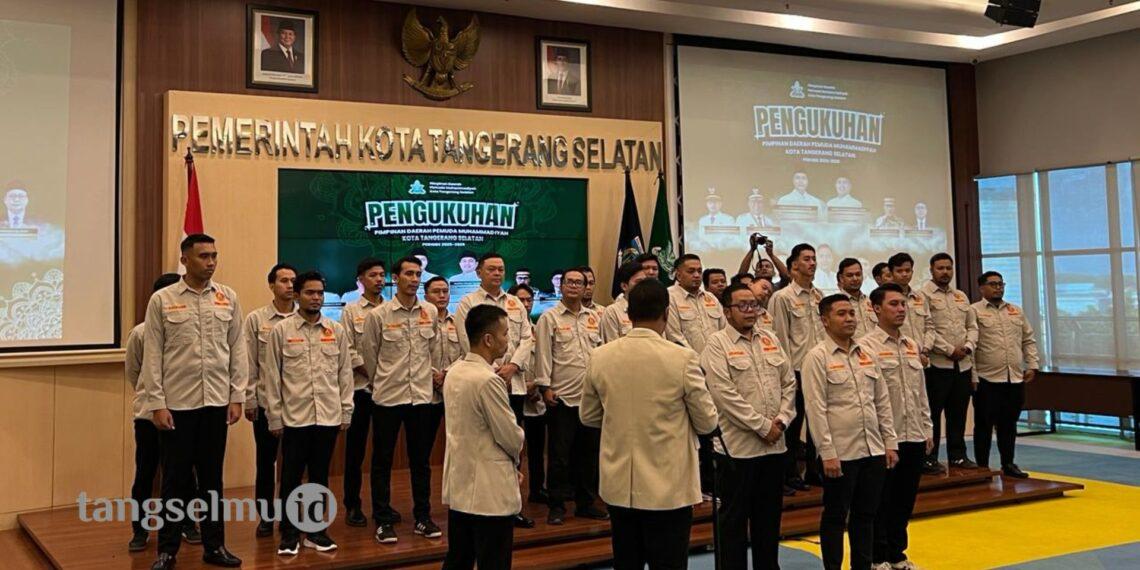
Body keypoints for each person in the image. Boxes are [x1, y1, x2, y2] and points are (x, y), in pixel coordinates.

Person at [581, 279, 719, 570]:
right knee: (668, 562)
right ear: (666, 313)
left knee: (626, 561)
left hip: (620, 482)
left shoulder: (600, 356)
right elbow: (707, 422)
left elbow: (589, 416)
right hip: (669, 487)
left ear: (628, 314)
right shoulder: (682, 358)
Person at [141, 233, 246, 569]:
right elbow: (152, 355)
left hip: (216, 403)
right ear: (185, 259)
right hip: (177, 406)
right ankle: (167, 551)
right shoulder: (162, 299)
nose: (211, 262)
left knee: (212, 478)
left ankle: (215, 547)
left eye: (214, 255)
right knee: (174, 478)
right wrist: (157, 403)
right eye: (203, 256)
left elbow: (237, 350)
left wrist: (236, 396)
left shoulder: (227, 297)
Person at [701, 283, 796, 570]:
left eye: (753, 304)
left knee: (769, 520)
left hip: (774, 446)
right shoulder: (716, 344)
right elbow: (723, 394)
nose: (750, 311)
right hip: (737, 450)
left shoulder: (770, 339)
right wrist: (761, 426)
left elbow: (789, 383)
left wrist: (781, 420)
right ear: (727, 311)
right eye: (742, 305)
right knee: (733, 521)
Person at [802, 294, 898, 570]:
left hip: (873, 449)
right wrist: (827, 453)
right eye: (841, 314)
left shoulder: (867, 354)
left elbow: (881, 401)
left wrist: (890, 443)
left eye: (852, 314)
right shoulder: (816, 357)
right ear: (824, 320)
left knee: (866, 516)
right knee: (835, 516)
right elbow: (815, 409)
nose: (849, 319)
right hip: (841, 453)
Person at [265, 271, 353, 556]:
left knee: (319, 477)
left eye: (319, 293)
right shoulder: (282, 331)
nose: (315, 298)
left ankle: (316, 531)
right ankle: (289, 533)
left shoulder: (335, 330)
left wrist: (345, 412)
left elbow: (344, 376)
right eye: (309, 293)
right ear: (297, 295)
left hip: (327, 417)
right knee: (290, 478)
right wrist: (275, 417)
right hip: (294, 418)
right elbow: (272, 377)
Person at [361, 256, 442, 544]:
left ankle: (423, 518)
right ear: (396, 278)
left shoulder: (430, 311)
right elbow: (370, 357)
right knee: (382, 461)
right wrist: (383, 380)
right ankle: (383, 520)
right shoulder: (379, 315)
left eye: (418, 274)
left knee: (421, 462)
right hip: (388, 398)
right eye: (408, 273)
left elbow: (433, 352)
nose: (414, 279)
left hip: (421, 397)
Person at [440, 305, 526, 570]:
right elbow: (510, 435)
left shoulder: (454, 371)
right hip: (489, 489)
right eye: (505, 334)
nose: (507, 340)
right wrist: (516, 462)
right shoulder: (487, 380)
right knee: (494, 560)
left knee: (460, 557)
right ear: (488, 339)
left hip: (461, 481)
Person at [861, 284, 933, 570]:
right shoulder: (866, 346)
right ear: (876, 309)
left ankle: (897, 553)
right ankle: (877, 556)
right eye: (894, 304)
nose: (901, 309)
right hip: (884, 437)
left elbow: (920, 391)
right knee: (881, 499)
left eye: (903, 304)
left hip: (913, 431)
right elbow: (869, 396)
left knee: (904, 499)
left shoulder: (911, 345)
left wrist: (927, 428)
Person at [126, 273, 196, 552]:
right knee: (146, 472)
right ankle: (139, 530)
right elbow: (134, 371)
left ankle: (187, 524)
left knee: (183, 473)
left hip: (183, 411)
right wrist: (155, 400)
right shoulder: (141, 332)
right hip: (148, 415)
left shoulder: (191, 329)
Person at [534, 267, 607, 525]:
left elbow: (604, 353)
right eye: (571, 282)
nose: (576, 286)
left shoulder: (597, 317)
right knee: (559, 457)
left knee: (589, 455)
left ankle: (586, 503)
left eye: (581, 282)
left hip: (592, 398)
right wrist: (545, 387)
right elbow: (543, 354)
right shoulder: (549, 318)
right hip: (562, 397)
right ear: (562, 286)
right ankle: (556, 506)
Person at [242, 263, 297, 537]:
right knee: (266, 463)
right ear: (271, 285)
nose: (289, 285)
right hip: (266, 403)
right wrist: (249, 399)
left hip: (300, 406)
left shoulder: (306, 318)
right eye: (283, 280)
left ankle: (292, 515)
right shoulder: (256, 319)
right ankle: (266, 517)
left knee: (295, 464)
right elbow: (249, 362)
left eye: (292, 281)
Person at [454, 253, 535, 427]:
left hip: (514, 383)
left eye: (501, 269)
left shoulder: (515, 302)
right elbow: (465, 340)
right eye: (491, 269)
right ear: (478, 273)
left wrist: (512, 366)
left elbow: (527, 338)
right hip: (481, 382)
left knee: (513, 438)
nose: (497, 273)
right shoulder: (468, 303)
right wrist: (493, 371)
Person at [971, 271, 1039, 479]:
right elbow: (971, 345)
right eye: (993, 284)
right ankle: (982, 466)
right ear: (982, 288)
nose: (998, 288)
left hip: (1014, 378)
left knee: (1009, 424)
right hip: (987, 378)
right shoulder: (973, 311)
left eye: (1001, 284)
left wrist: (1032, 364)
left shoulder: (1015, 311)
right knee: (983, 425)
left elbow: (1028, 339)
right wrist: (972, 376)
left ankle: (1008, 463)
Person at [769, 243, 825, 491]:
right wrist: (787, 373)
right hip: (797, 369)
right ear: (793, 265)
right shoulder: (782, 297)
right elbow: (780, 338)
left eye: (814, 259)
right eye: (806, 259)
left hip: (820, 368)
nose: (812, 263)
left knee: (818, 422)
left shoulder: (819, 296)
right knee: (793, 424)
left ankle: (815, 470)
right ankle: (789, 473)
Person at [922, 253, 979, 473]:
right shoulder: (923, 295)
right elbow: (927, 328)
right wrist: (948, 349)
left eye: (948, 268)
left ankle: (958, 456)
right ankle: (929, 457)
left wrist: (968, 347)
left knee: (958, 413)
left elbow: (972, 327)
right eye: (940, 268)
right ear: (931, 270)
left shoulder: (961, 296)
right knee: (933, 415)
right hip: (938, 365)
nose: (945, 272)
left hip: (962, 365)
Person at [340, 258, 386, 527]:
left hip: (388, 391)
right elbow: (348, 348)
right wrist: (371, 371)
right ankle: (352, 504)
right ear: (361, 279)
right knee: (355, 452)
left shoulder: (392, 308)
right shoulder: (351, 310)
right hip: (361, 389)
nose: (379, 280)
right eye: (373, 275)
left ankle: (382, 505)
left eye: (382, 275)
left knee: (382, 452)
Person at [510, 283, 548, 505]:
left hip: (535, 395)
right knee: (514, 449)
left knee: (536, 447)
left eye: (528, 300)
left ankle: (537, 489)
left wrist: (537, 385)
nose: (525, 304)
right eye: (521, 300)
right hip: (513, 392)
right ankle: (513, 495)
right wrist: (523, 388)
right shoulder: (504, 331)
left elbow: (544, 359)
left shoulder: (537, 329)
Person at [426, 277, 462, 465]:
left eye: (445, 291)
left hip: (454, 391)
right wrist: (434, 375)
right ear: (425, 295)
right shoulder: (420, 322)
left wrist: (446, 373)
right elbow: (416, 353)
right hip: (427, 392)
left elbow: (467, 353)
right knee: (423, 450)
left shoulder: (458, 322)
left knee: (458, 445)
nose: (442, 295)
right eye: (436, 291)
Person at [666, 254, 725, 354]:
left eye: (699, 271)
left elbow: (724, 330)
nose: (697, 275)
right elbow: (674, 337)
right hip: (687, 362)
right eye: (691, 271)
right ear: (678, 275)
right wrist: (695, 362)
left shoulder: (711, 298)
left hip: (716, 360)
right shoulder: (669, 297)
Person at [888, 253, 934, 374]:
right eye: (899, 271)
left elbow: (929, 326)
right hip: (897, 360)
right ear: (891, 273)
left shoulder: (920, 297)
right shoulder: (883, 298)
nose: (904, 274)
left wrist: (925, 350)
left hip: (922, 359)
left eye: (907, 270)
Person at [600, 261, 648, 343]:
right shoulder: (612, 312)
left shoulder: (652, 308)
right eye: (639, 282)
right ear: (624, 286)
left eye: (646, 282)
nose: (644, 286)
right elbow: (612, 347)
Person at [836, 258, 876, 337]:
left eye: (858, 274)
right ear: (841, 278)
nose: (855, 279)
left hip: (875, 348)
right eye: (850, 275)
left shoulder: (871, 302)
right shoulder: (836, 304)